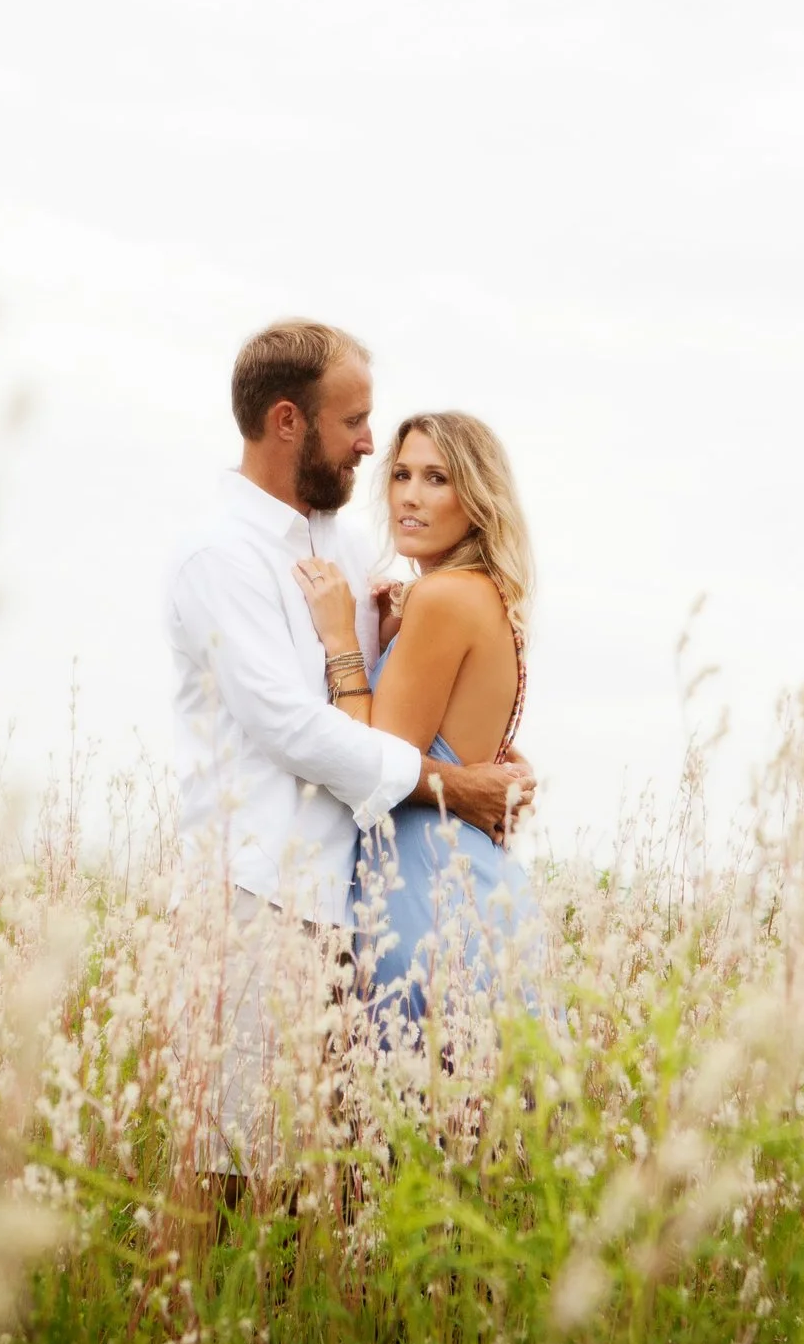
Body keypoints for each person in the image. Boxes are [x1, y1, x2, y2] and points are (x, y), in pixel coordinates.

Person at [164, 321, 534, 1189]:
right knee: (249, 1163)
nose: (373, 446)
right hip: (264, 893)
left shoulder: (353, 548)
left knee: (347, 1170)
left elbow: (403, 698)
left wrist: (485, 749)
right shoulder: (219, 559)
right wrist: (459, 785)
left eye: (423, 470)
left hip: (366, 902)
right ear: (289, 422)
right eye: (357, 424)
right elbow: (297, 729)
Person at [291, 410, 543, 1037]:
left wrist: (343, 638)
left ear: (478, 498)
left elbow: (379, 759)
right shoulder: (486, 597)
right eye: (401, 474)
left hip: (420, 896)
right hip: (480, 892)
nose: (409, 494)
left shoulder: (442, 596)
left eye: (437, 478)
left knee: (403, 1120)